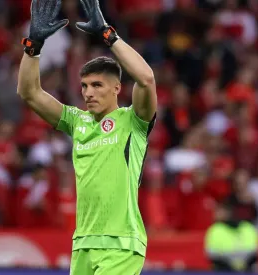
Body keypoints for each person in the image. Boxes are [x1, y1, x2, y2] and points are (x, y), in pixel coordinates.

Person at [17, 0, 157, 274]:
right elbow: (29, 92)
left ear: (117, 88)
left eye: (97, 85)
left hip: (121, 244)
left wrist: (107, 34)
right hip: (82, 243)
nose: (88, 93)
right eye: (84, 86)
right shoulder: (76, 121)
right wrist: (33, 45)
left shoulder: (133, 121)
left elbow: (147, 79)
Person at [205, 203, 258, 272]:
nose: (215, 214)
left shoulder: (249, 228)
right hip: (223, 271)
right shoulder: (215, 230)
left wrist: (241, 268)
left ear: (228, 212)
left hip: (247, 271)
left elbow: (255, 255)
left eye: (219, 211)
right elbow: (213, 256)